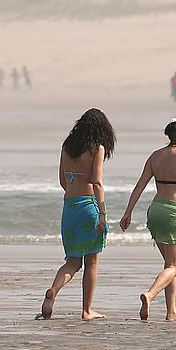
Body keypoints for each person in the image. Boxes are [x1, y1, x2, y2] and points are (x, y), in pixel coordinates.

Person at [119, 116, 176, 321]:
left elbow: (140, 185)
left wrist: (128, 212)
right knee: (173, 267)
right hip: (175, 211)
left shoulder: (155, 156)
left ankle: (171, 312)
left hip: (156, 209)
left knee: (169, 264)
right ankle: (149, 295)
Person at [38, 108, 116, 321]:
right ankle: (87, 310)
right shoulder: (96, 148)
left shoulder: (66, 147)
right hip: (89, 205)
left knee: (72, 262)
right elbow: (97, 182)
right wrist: (102, 213)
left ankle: (54, 289)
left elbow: (63, 181)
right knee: (91, 262)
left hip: (69, 207)